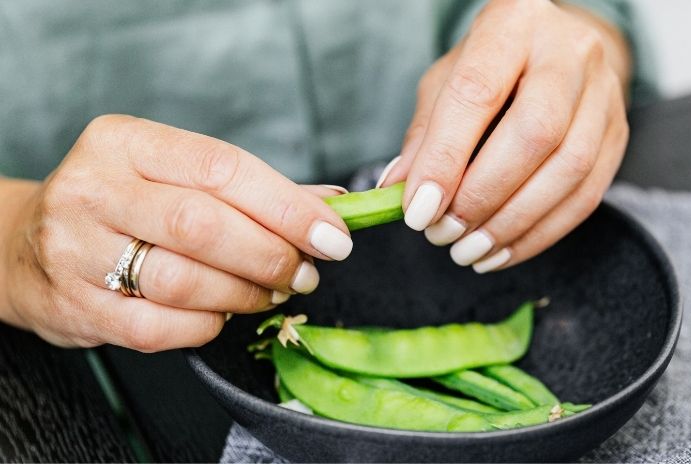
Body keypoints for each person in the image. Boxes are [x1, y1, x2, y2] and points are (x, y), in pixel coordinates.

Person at [0, 0, 653, 351]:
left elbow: (579, 15)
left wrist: (572, 36)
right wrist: (15, 240)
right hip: (90, 363)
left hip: (462, 256)